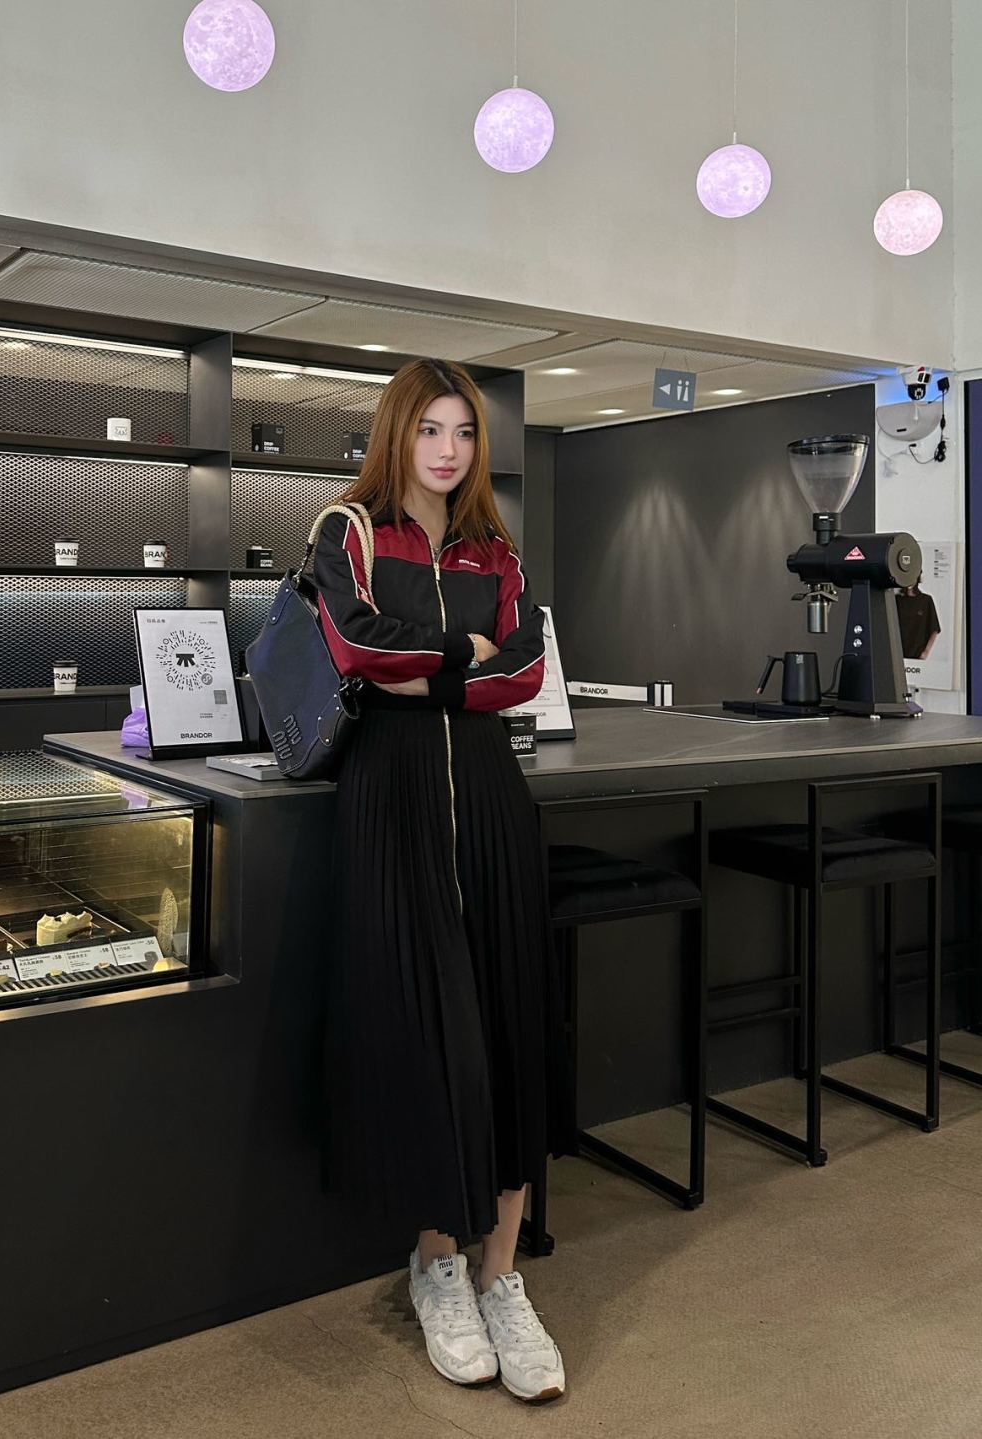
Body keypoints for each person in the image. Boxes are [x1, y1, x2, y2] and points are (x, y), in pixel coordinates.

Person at [311, 358, 575, 1403]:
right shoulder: (348, 532)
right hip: (395, 802)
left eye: (465, 431)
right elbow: (354, 645)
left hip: (494, 803)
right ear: (398, 432)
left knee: (509, 1021)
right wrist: (459, 654)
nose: (450, 450)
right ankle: (437, 1265)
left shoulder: (494, 550)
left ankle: (502, 1274)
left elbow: (526, 669)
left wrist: (436, 673)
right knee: (429, 1029)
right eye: (431, 429)